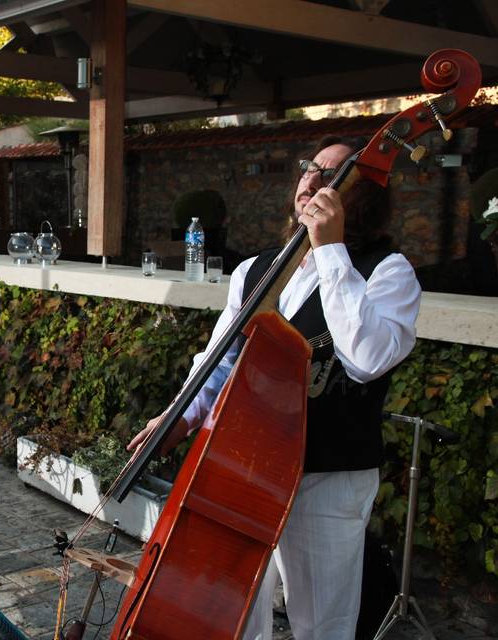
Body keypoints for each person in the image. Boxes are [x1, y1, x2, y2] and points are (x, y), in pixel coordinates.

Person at [129, 136, 422, 640]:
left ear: (364, 197)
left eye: (335, 175)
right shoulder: (255, 269)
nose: (314, 180)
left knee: (321, 621)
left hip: (330, 471)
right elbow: (220, 363)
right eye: (311, 169)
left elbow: (367, 360)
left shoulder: (387, 272)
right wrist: (179, 413)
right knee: (238, 612)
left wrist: (330, 250)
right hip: (247, 465)